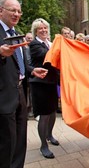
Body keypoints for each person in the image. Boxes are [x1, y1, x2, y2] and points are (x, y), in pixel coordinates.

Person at [0, 0, 48, 168]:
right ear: (1, 11)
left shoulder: (15, 33)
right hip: (4, 96)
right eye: (12, 10)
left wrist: (31, 70)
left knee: (20, 140)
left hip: (20, 92)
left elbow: (19, 62)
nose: (17, 14)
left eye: (19, 11)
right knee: (7, 143)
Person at [29, 18, 60, 159]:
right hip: (40, 84)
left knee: (53, 111)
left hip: (52, 83)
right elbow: (48, 56)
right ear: (35, 31)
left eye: (45, 28)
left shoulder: (50, 44)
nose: (43, 30)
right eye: (40, 29)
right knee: (45, 115)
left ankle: (49, 135)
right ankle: (43, 146)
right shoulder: (35, 44)